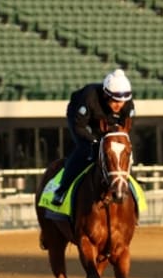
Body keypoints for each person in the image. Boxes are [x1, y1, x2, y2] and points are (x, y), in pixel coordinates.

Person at [50, 68, 135, 206]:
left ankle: (132, 193)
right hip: (81, 120)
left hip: (106, 123)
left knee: (122, 154)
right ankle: (61, 190)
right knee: (86, 150)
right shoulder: (90, 97)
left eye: (122, 101)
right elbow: (79, 126)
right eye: (114, 101)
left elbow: (124, 132)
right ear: (106, 95)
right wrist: (94, 141)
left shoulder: (127, 105)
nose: (119, 105)